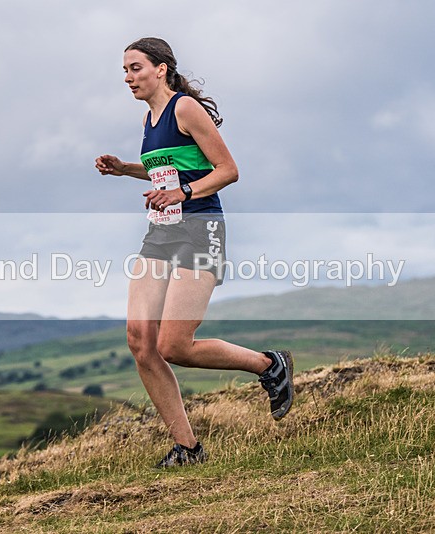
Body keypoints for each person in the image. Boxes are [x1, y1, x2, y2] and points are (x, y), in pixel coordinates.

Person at [95, 37, 294, 468]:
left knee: (174, 345)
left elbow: (227, 170)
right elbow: (166, 170)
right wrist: (126, 168)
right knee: (140, 341)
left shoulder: (184, 108)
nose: (128, 78)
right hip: (161, 234)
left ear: (161, 69)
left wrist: (183, 193)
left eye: (135, 68)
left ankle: (267, 364)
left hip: (201, 230)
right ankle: (188, 449)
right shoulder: (150, 120)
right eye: (125, 71)